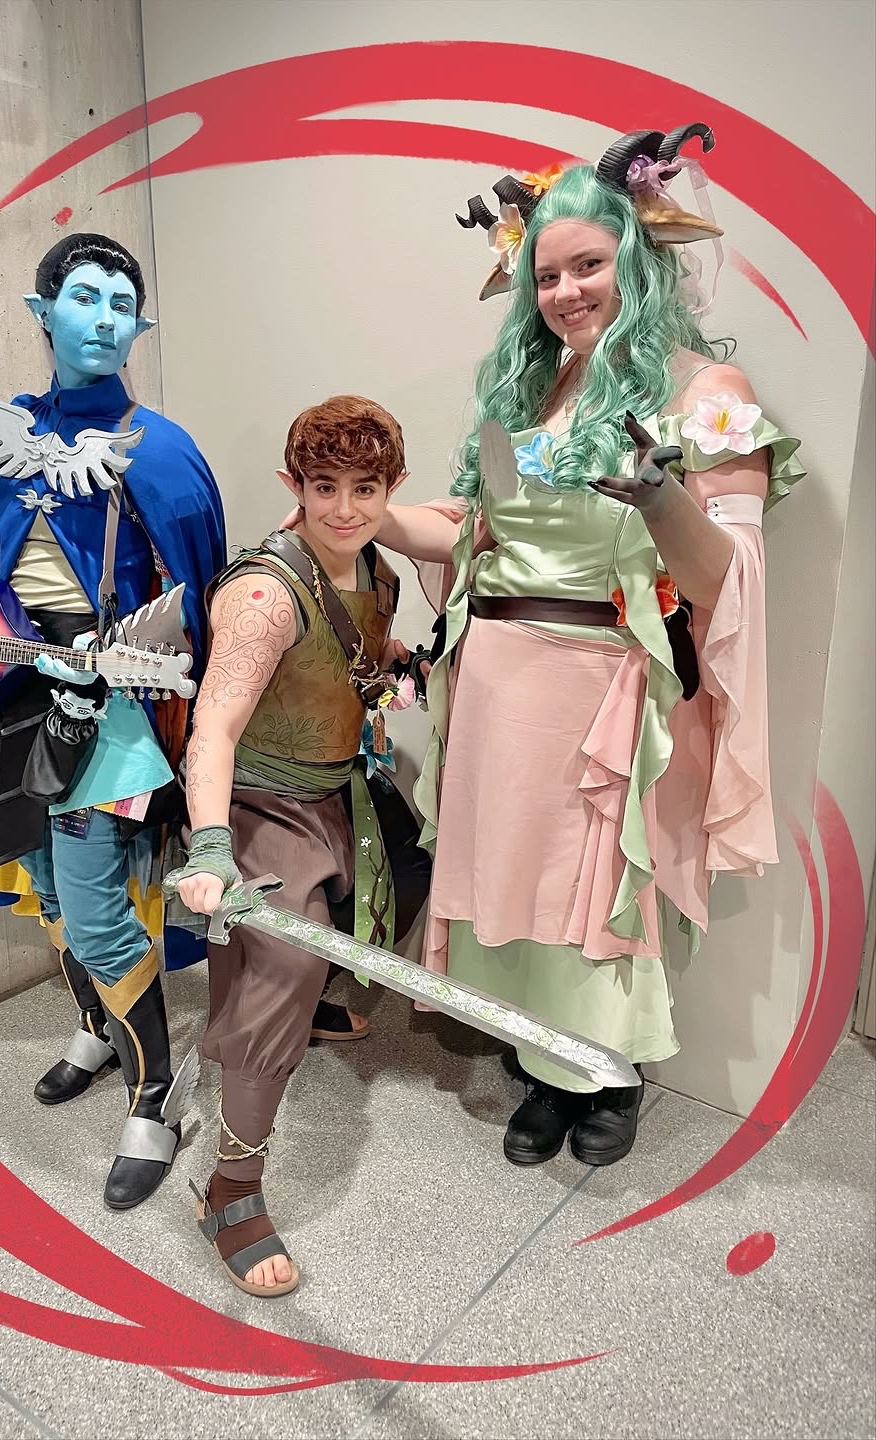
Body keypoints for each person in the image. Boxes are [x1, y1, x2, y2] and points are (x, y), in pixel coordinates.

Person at [374, 124, 804, 1168]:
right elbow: (473, 527)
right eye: (547, 274)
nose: (565, 292)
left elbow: (729, 583)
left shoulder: (707, 395)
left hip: (607, 683)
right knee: (515, 876)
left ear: (639, 261)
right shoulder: (520, 394)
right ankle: (542, 1061)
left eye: (588, 266)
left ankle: (605, 1072)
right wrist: (367, 516)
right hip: (498, 676)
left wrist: (660, 495)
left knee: (594, 890)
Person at [0, 233, 227, 1209]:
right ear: (41, 312)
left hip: (112, 714)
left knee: (95, 909)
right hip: (10, 703)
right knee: (46, 891)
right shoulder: (1, 438)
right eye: (83, 296)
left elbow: (204, 605)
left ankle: (153, 1098)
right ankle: (94, 1027)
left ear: (139, 325)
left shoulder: (161, 453)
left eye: (121, 303)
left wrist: (196, 740)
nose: (103, 317)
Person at [169, 395, 412, 1296]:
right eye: (324, 487)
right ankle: (231, 1191)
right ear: (293, 485)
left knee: (406, 881)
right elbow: (214, 729)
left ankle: (314, 1006)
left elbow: (355, 658)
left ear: (391, 487)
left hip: (341, 790)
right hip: (258, 803)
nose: (344, 508)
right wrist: (209, 846)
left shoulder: (379, 570)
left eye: (364, 488)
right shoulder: (266, 595)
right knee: (282, 969)